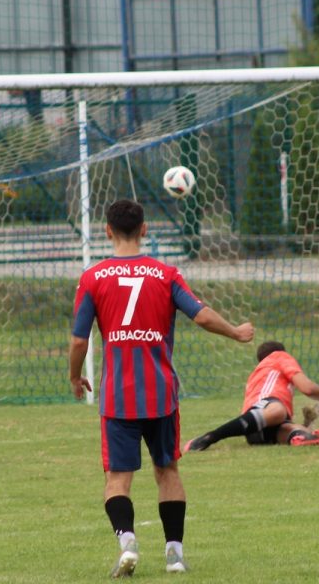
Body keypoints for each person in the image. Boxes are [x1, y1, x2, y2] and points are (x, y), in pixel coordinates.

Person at [69, 199, 254, 578]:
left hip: (118, 398)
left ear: (107, 230)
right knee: (167, 471)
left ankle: (127, 542)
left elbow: (78, 341)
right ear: (145, 230)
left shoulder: (92, 278)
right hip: (161, 394)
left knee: (117, 480)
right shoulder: (166, 274)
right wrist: (236, 331)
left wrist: (75, 376)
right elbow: (201, 315)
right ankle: (175, 555)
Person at [181, 340, 319, 452]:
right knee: (277, 411)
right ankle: (212, 436)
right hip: (267, 410)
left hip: (254, 433)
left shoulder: (256, 377)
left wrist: (306, 423)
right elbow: (309, 389)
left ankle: (303, 435)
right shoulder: (279, 356)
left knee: (289, 427)